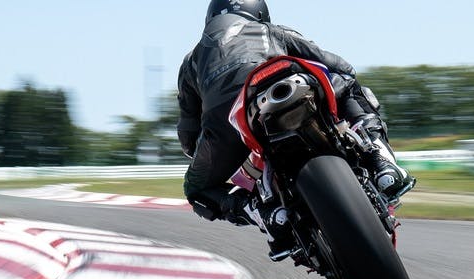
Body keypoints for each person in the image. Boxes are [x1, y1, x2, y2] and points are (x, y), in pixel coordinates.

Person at [177, 0, 413, 254]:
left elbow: (188, 133)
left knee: (196, 190)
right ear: (259, 13)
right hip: (293, 86)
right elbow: (341, 65)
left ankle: (261, 213)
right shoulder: (274, 31)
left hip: (228, 121)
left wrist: (205, 149)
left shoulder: (192, 61)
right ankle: (382, 163)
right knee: (350, 87)